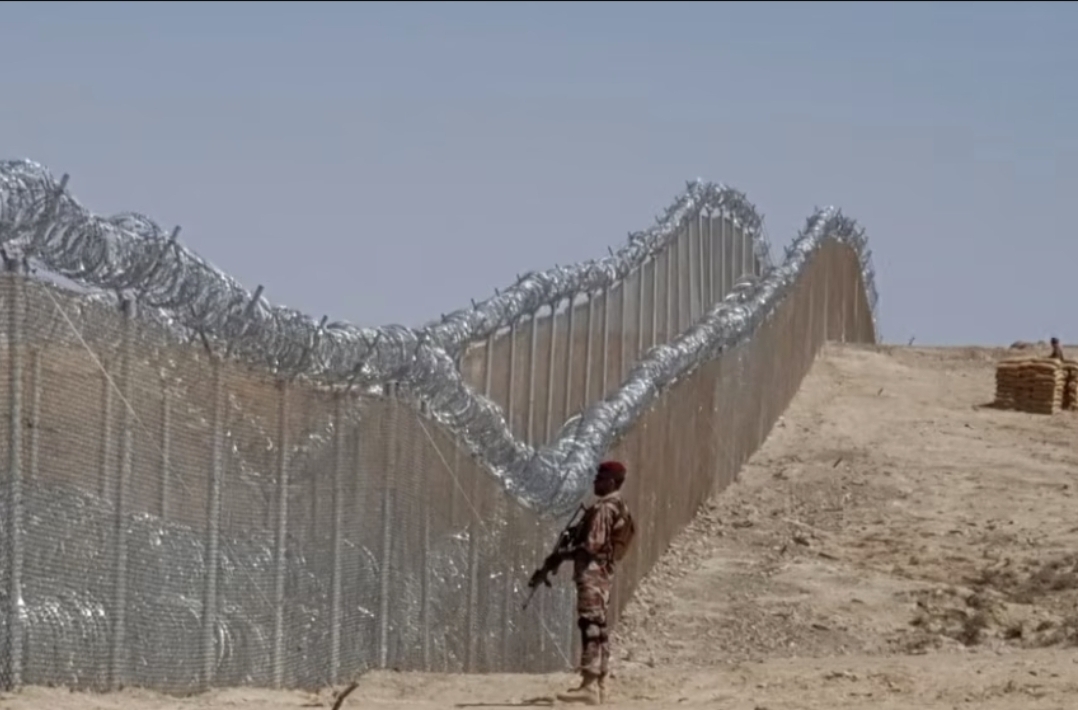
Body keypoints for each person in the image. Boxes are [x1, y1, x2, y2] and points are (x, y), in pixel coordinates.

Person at [536, 460, 636, 706]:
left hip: (593, 572)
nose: (595, 482)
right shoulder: (619, 505)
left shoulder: (604, 508)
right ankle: (600, 683)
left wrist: (562, 554)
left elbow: (592, 545)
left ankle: (589, 685)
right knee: (599, 625)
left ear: (610, 482)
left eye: (599, 479)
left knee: (589, 623)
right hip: (603, 572)